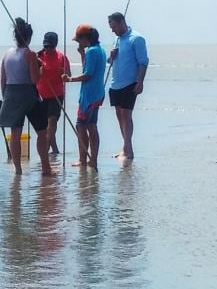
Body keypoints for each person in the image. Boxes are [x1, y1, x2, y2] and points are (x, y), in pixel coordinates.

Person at [0, 17, 53, 177]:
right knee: (42, 131)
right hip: (28, 95)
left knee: (15, 133)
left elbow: (3, 79)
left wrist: (6, 97)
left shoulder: (7, 54)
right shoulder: (30, 54)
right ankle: (45, 168)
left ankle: (18, 169)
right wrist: (40, 67)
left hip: (10, 94)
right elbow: (35, 79)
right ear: (28, 37)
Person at [107, 11, 149, 162]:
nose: (112, 30)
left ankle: (128, 149)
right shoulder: (117, 40)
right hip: (115, 83)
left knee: (126, 114)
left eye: (113, 26)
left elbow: (143, 62)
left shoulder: (136, 38)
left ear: (121, 22)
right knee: (119, 115)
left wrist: (140, 81)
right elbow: (110, 61)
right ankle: (125, 146)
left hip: (130, 83)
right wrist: (111, 56)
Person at [63, 24, 106, 171]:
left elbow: (87, 75)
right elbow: (87, 68)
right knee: (91, 126)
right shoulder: (100, 50)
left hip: (89, 96)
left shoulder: (92, 52)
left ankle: (84, 160)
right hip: (98, 94)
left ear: (85, 38)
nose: (78, 43)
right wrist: (82, 54)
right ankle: (92, 160)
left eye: (79, 40)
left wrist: (69, 79)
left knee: (81, 126)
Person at [36, 31, 71, 154]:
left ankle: (45, 149)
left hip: (56, 95)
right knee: (45, 126)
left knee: (52, 122)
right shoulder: (39, 57)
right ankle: (54, 150)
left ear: (55, 45)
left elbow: (69, 76)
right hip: (41, 95)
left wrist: (63, 73)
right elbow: (34, 75)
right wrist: (39, 68)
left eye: (50, 46)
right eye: (46, 46)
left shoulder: (61, 57)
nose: (48, 49)